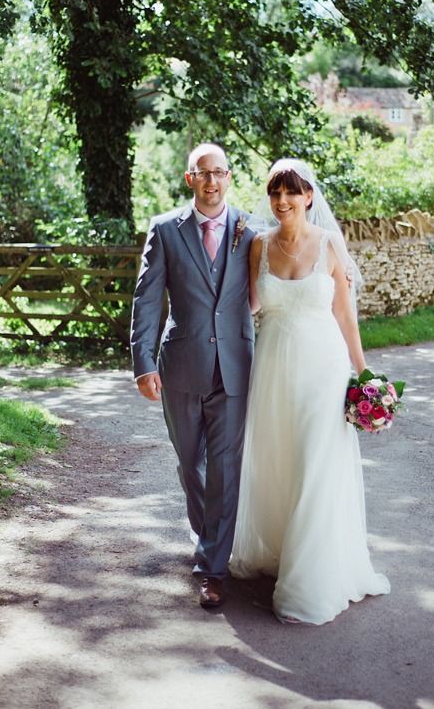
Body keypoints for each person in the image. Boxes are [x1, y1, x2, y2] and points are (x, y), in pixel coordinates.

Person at [230, 158, 390, 625]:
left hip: (324, 372)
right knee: (281, 462)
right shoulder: (258, 245)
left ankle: (312, 577)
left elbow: (346, 318)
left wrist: (366, 379)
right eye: (276, 193)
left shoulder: (330, 244)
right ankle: (283, 548)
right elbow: (251, 306)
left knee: (317, 467)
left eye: (291, 193)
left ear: (309, 197)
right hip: (275, 371)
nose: (282, 202)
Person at [131, 143, 256, 608]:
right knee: (190, 464)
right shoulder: (165, 230)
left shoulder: (251, 230)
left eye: (219, 173)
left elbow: (281, 274)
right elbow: (146, 301)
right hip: (180, 367)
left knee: (225, 469)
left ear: (228, 177)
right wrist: (143, 363)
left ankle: (211, 568)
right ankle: (210, 540)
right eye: (202, 174)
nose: (211, 182)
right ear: (190, 180)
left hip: (235, 368)